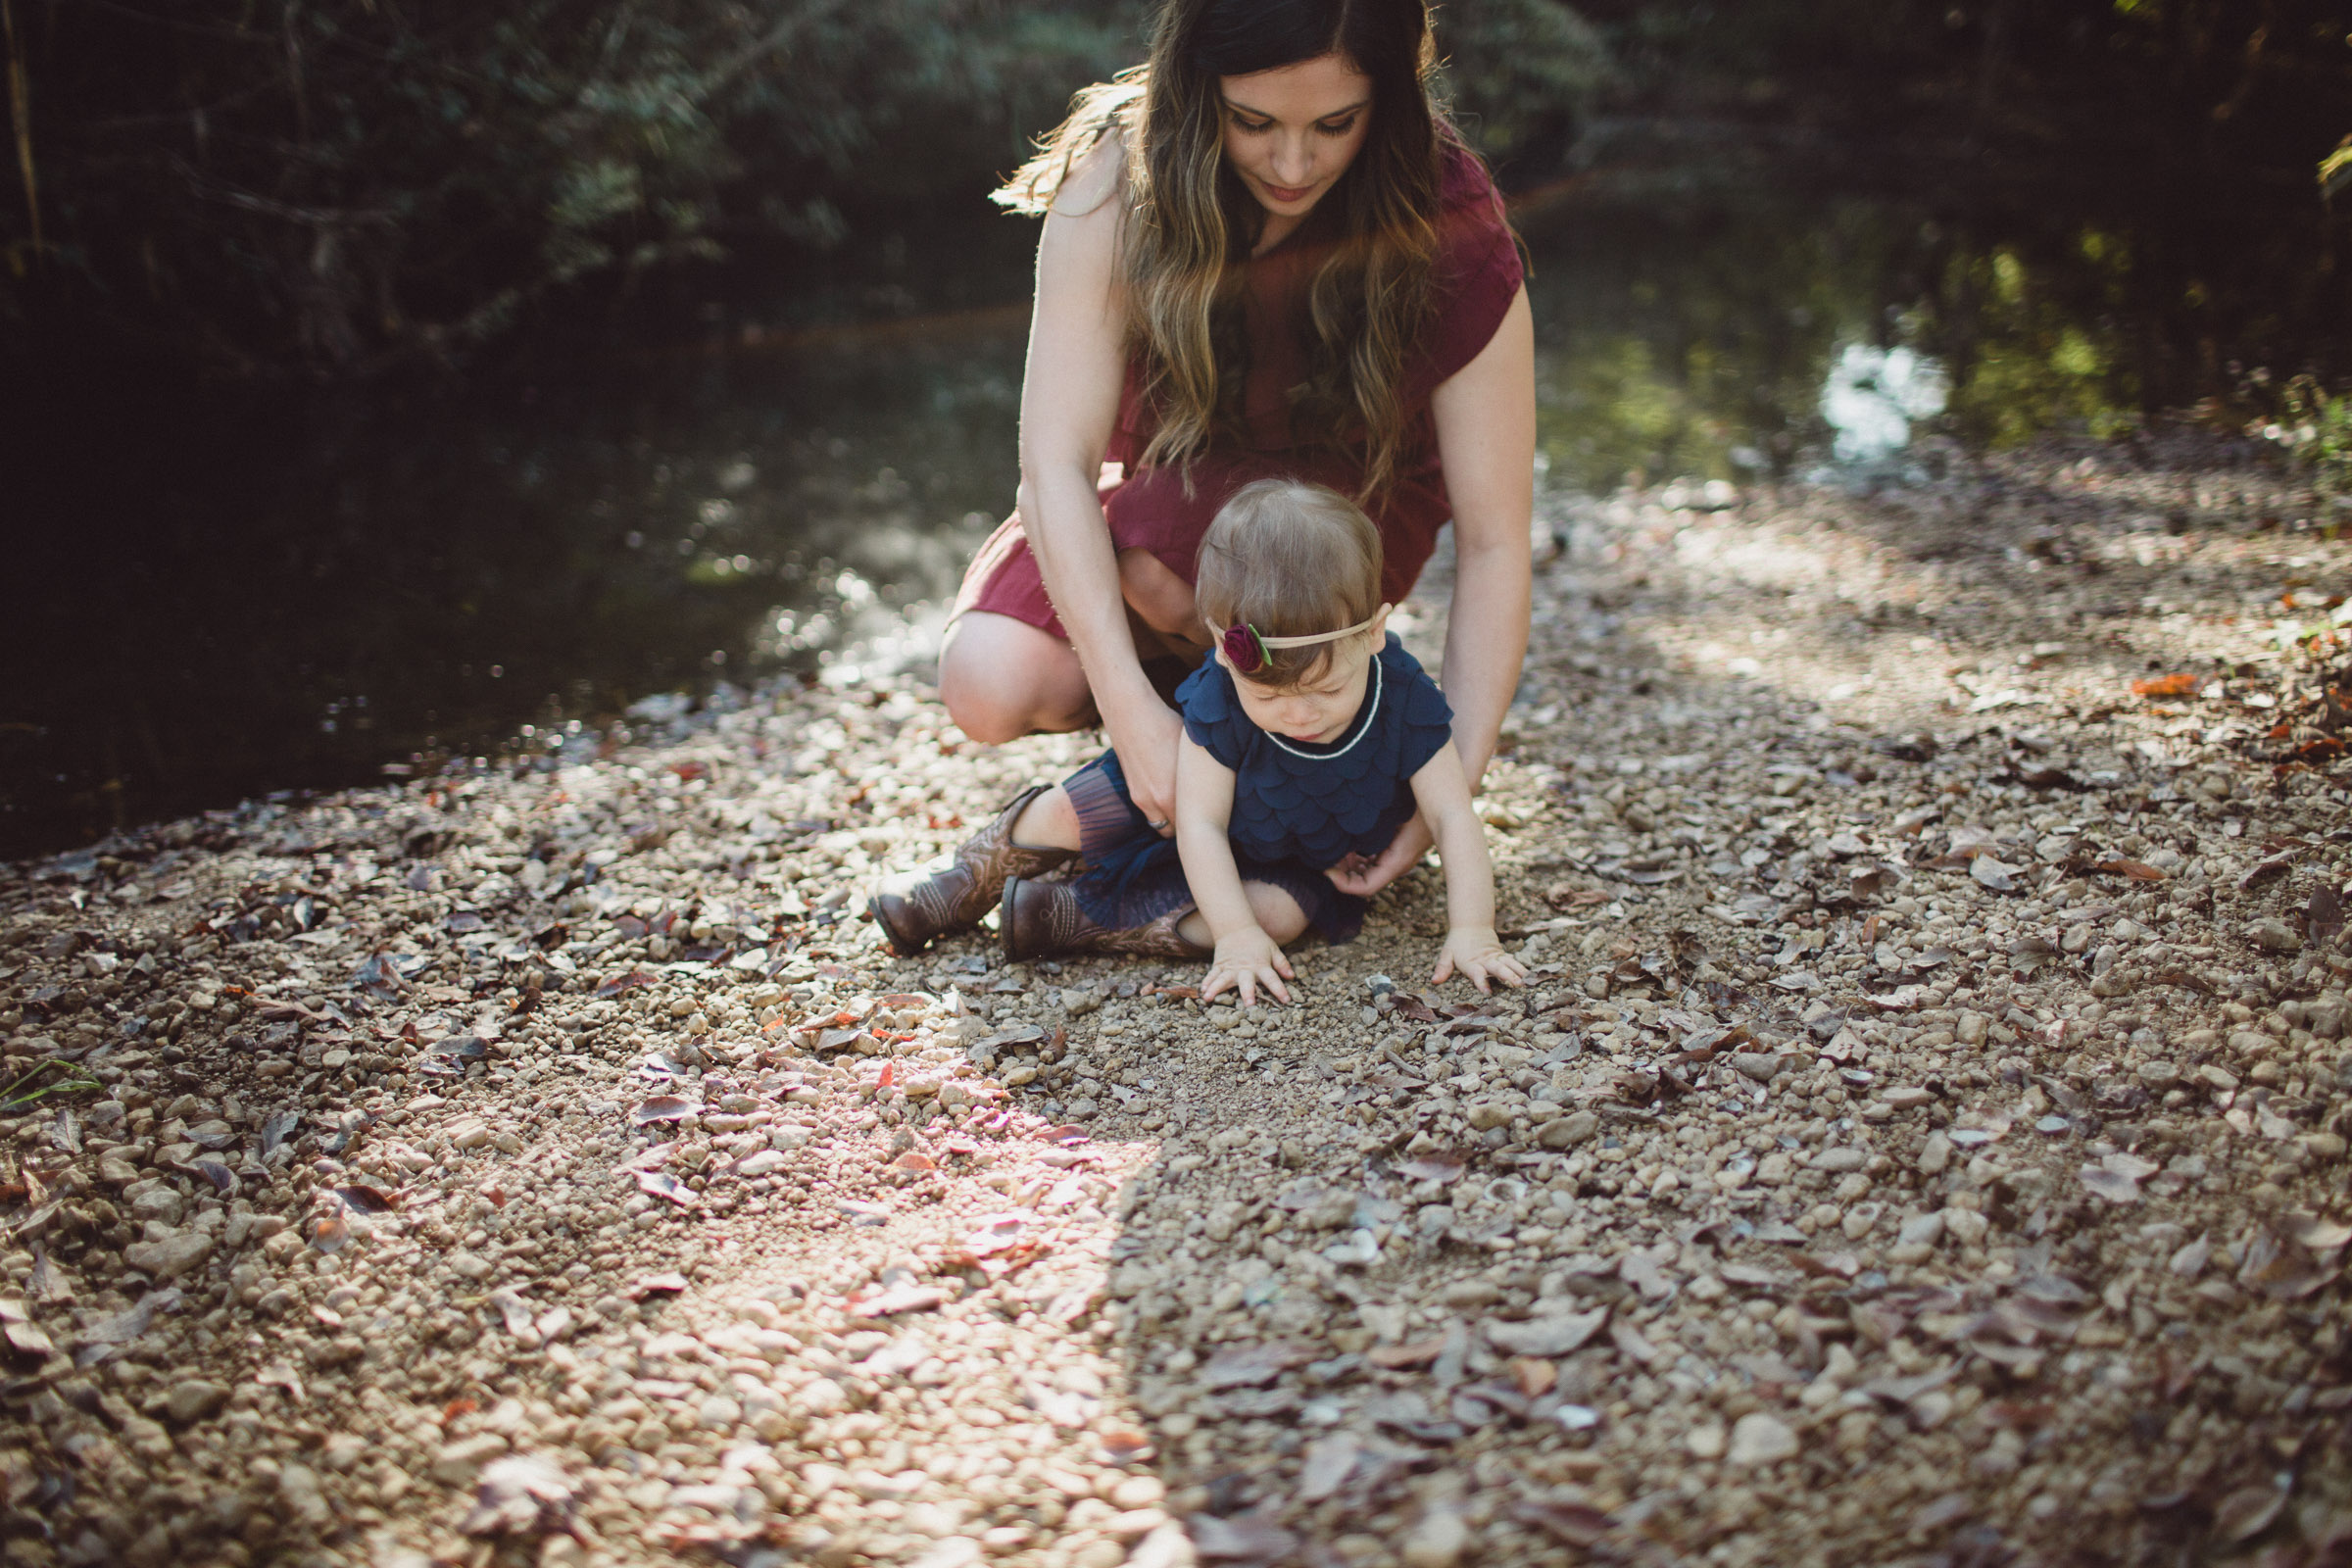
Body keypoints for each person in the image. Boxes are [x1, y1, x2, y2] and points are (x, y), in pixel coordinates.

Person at [935, 0, 1534, 907]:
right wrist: (1134, 722)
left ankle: (1285, 698)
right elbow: (1055, 462)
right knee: (990, 685)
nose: (1294, 165)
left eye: (1336, 124)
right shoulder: (1116, 176)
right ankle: (1261, 713)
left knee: (1182, 583)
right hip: (1170, 489)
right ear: (1196, 85)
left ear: (1391, 101)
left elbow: (1495, 540)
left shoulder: (1444, 207)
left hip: (1340, 501)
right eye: (1254, 122)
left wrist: (1450, 785)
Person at [872, 480, 1527, 1005]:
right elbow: (1202, 823)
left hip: (1294, 857)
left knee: (1277, 919)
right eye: (1268, 696)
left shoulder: (1403, 694)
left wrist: (1472, 927)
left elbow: (1451, 815)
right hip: (1185, 805)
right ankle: (971, 877)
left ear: (1374, 634)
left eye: (1326, 692)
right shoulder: (1225, 688)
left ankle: (1065, 915)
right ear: (1224, 649)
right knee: (1089, 805)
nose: (1299, 714)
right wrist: (1233, 937)